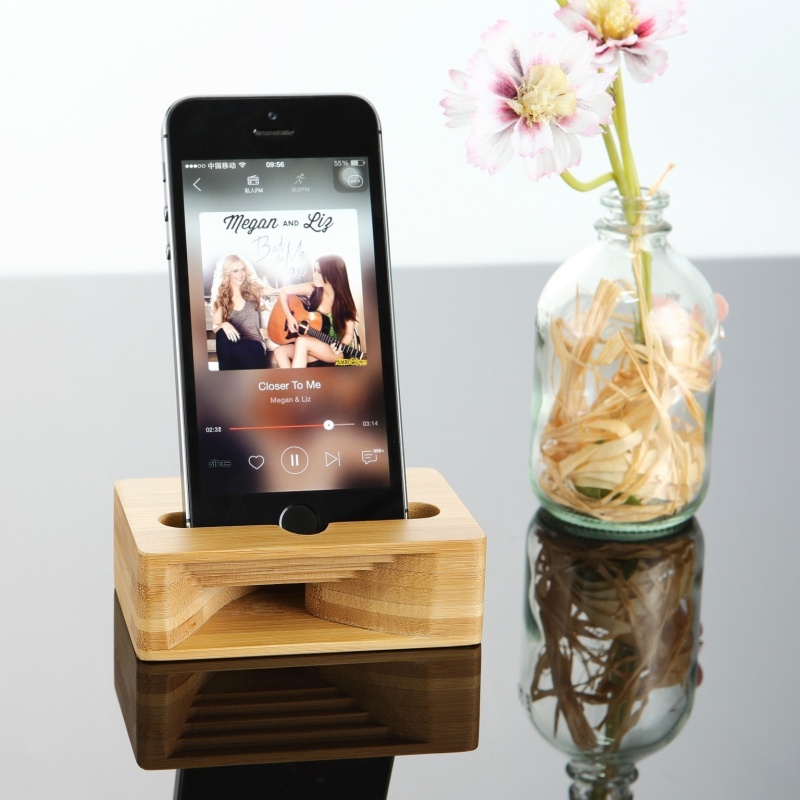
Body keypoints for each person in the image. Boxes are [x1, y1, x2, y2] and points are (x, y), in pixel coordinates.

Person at [273, 255, 358, 368]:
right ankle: (294, 378)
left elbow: (349, 334)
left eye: (320, 272)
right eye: (315, 270)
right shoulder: (312, 289)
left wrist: (340, 346)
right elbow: (283, 291)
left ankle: (295, 379)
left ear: (333, 275)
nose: (315, 275)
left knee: (302, 342)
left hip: (336, 351)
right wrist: (289, 317)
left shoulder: (344, 301)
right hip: (313, 344)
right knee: (279, 352)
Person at [210, 254, 272, 370]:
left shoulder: (252, 290)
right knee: (221, 334)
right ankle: (228, 377)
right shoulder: (220, 298)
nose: (241, 274)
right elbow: (215, 326)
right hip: (234, 347)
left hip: (255, 346)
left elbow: (277, 292)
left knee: (235, 351)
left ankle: (227, 378)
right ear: (227, 273)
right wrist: (224, 324)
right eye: (235, 271)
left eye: (243, 270)